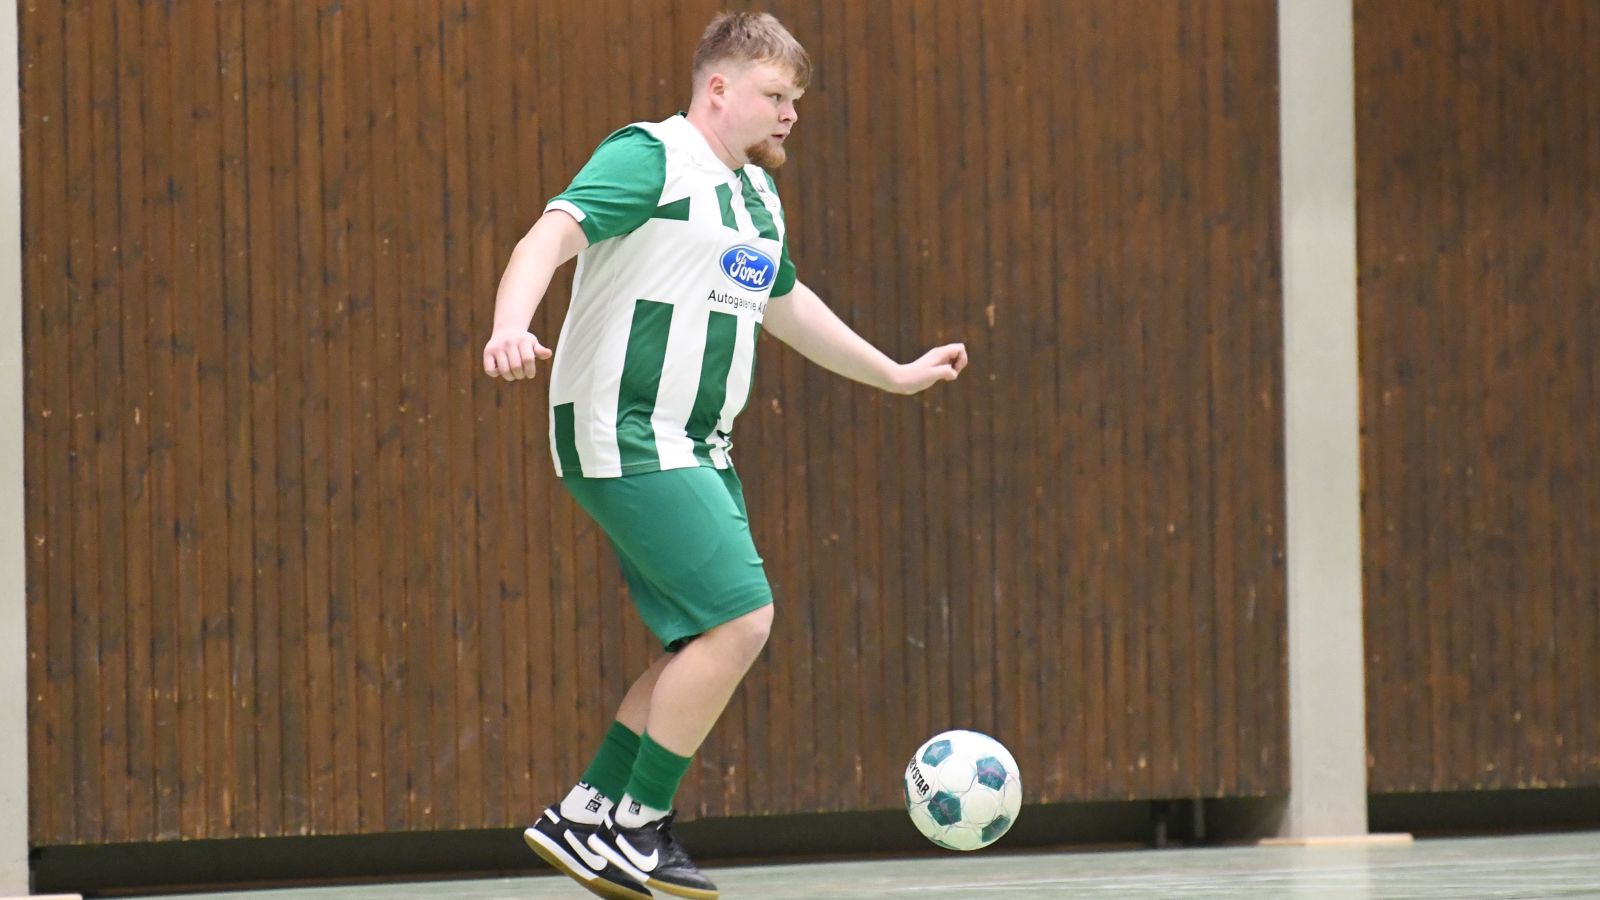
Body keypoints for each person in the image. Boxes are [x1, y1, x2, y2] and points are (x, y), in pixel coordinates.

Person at [482, 11, 967, 899]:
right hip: (626, 431)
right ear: (718, 88)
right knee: (743, 620)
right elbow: (546, 236)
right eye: (776, 95)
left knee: (701, 640)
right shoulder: (652, 156)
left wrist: (895, 374)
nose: (791, 114)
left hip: (699, 446)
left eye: (796, 100)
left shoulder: (756, 197)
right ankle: (639, 827)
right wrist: (510, 325)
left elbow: (785, 306)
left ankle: (587, 812)